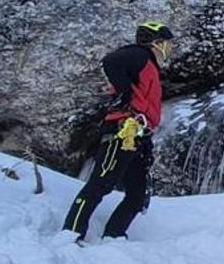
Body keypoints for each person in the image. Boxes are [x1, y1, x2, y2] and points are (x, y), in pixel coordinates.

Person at [61, 21, 174, 244]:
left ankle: (114, 237)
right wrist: (124, 93)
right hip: (123, 129)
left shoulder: (150, 66)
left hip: (139, 134)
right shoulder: (139, 55)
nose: (171, 48)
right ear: (157, 43)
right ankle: (71, 233)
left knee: (137, 195)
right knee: (100, 184)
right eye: (168, 43)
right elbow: (111, 61)